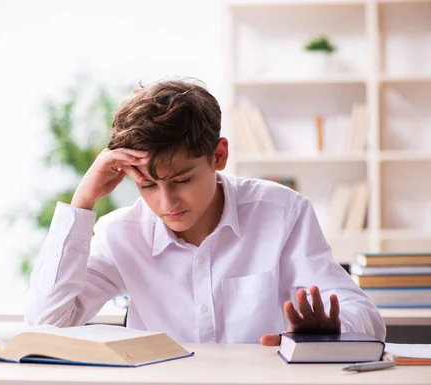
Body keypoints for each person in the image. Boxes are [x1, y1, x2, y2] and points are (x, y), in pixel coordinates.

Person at [25, 78, 386, 345]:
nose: (167, 204)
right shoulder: (120, 232)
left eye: (181, 179)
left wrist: (334, 330)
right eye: (148, 185)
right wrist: (82, 202)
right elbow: (46, 327)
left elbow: (367, 317)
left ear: (219, 156)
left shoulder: (282, 213)